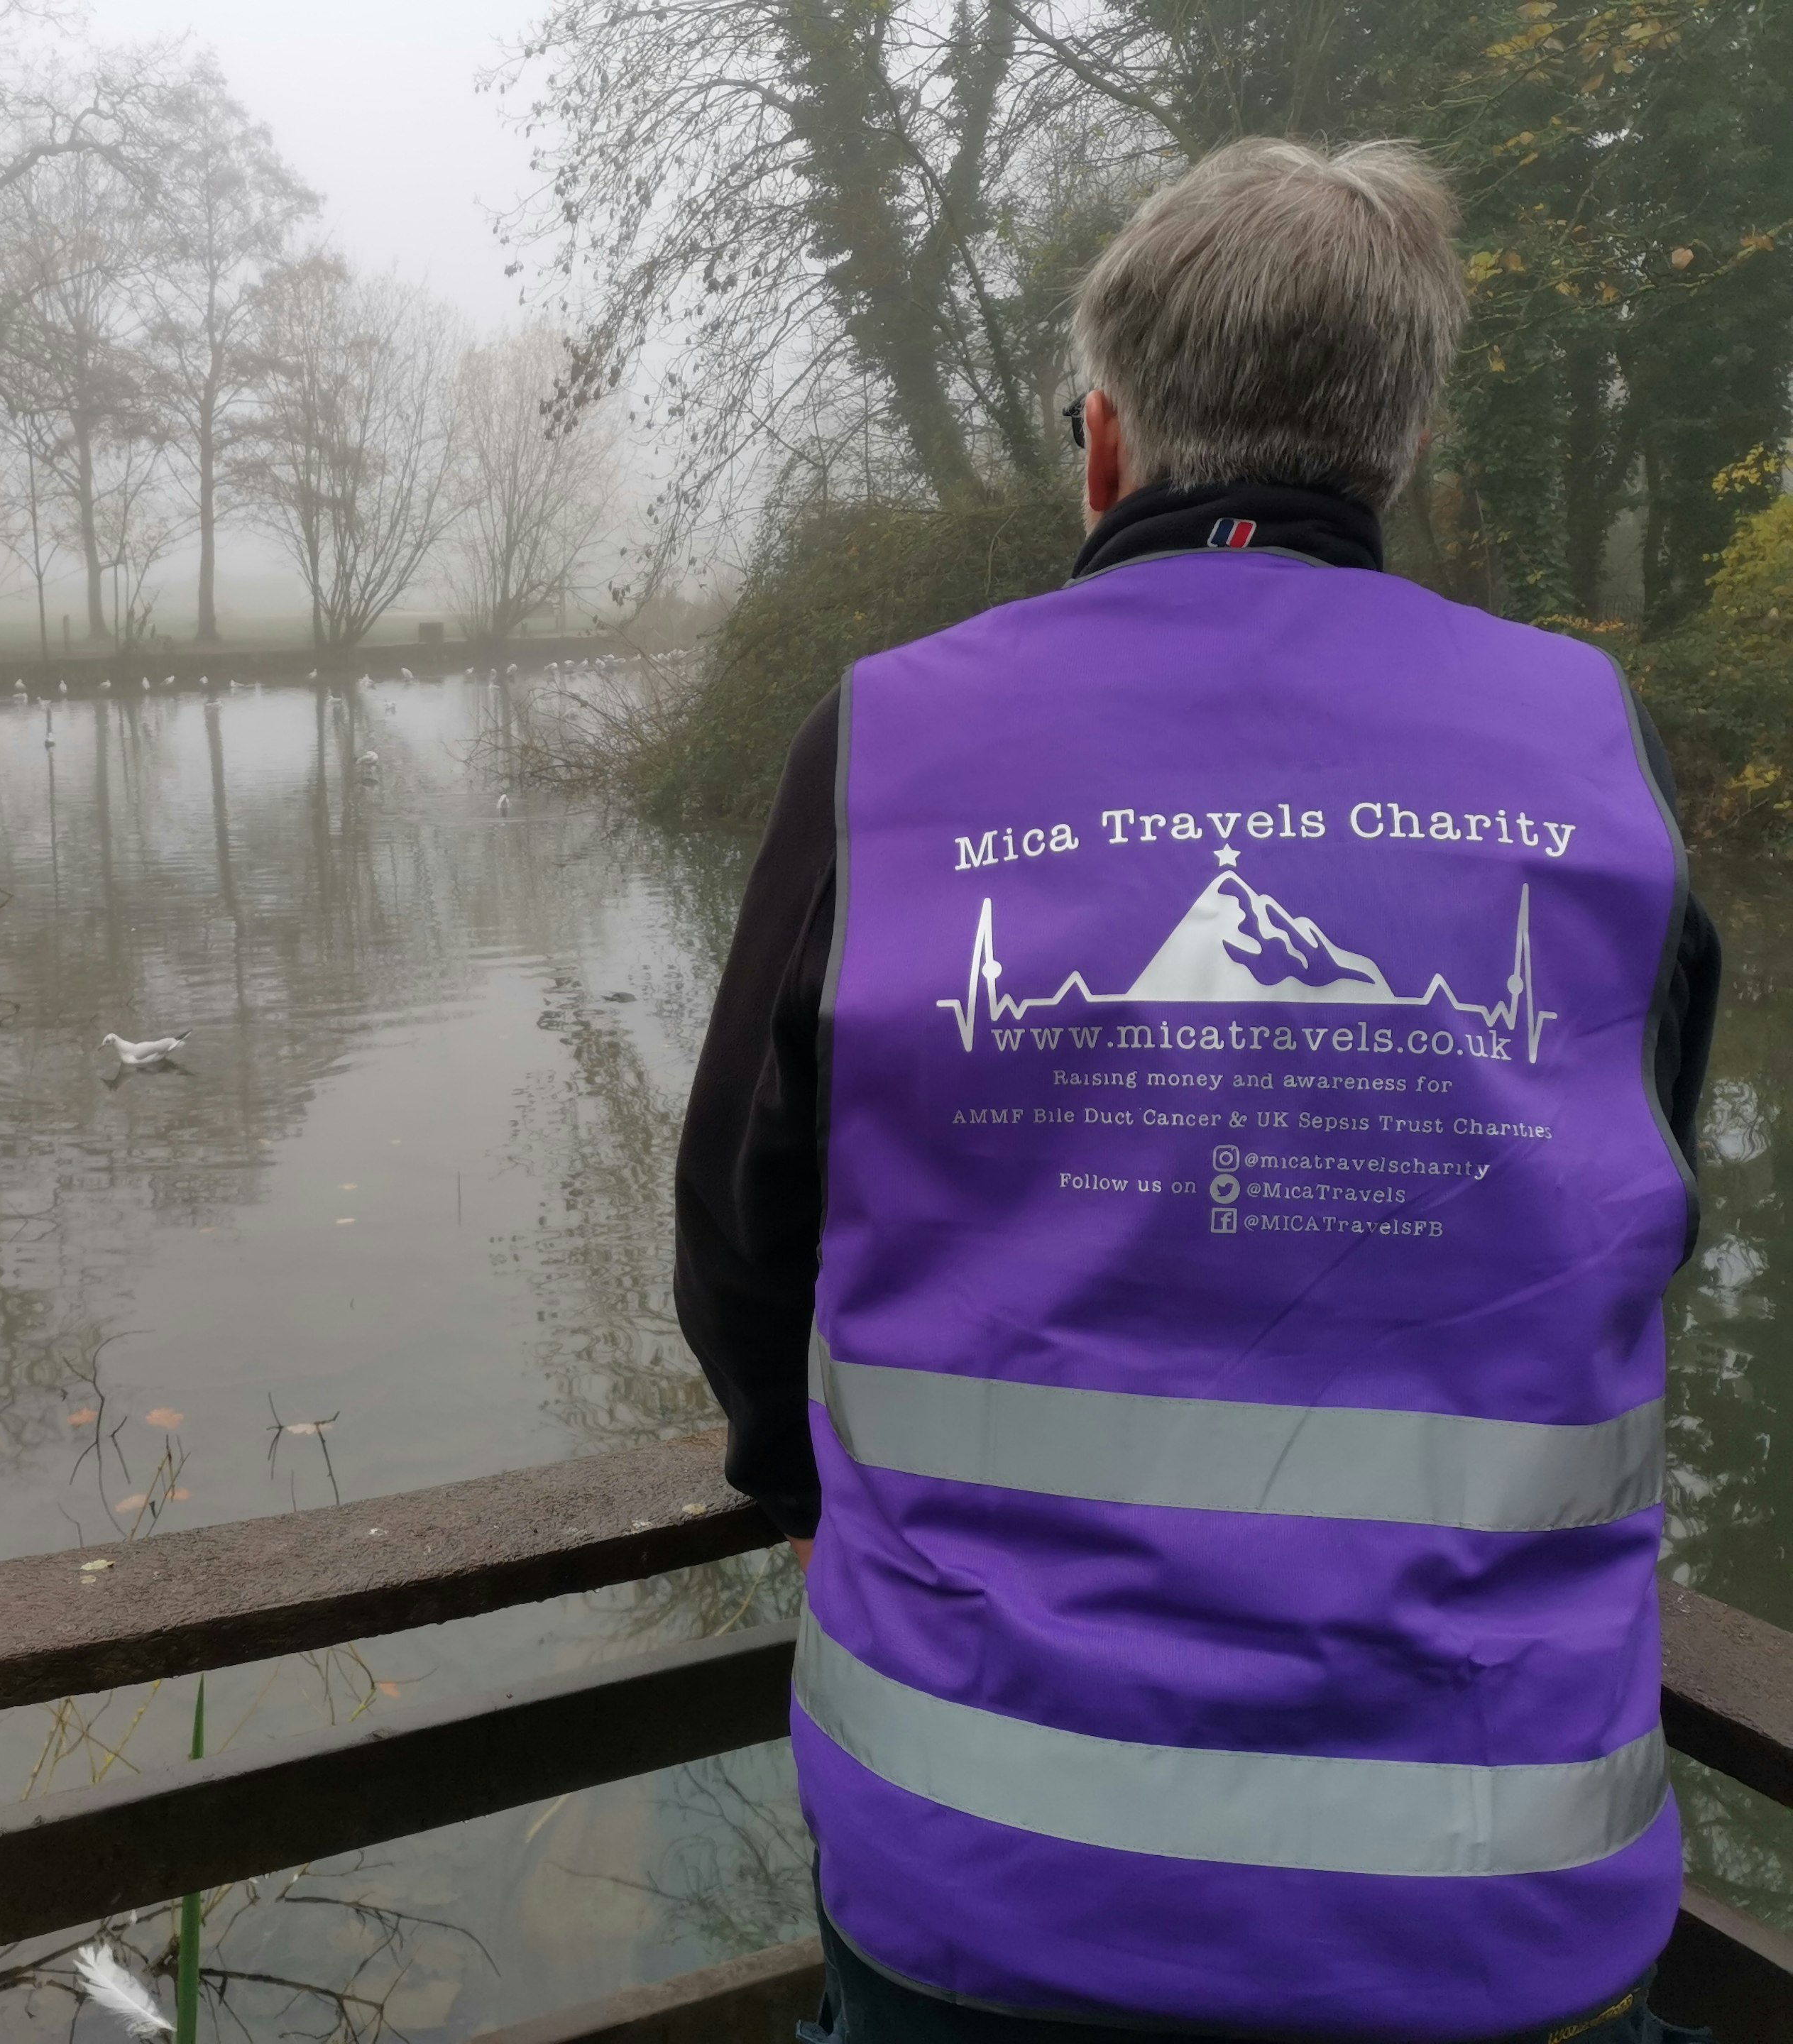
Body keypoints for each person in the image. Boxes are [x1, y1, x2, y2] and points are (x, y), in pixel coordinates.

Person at [676, 137, 1724, 2044]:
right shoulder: (1592, 745)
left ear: (1103, 444)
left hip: (983, 1875)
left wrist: (792, 1480)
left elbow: (743, 1231)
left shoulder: (892, 738)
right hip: (1498, 1900)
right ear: (1396, 457)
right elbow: (1645, 1215)